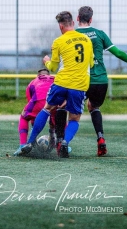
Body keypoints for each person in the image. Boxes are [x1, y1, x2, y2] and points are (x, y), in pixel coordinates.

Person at [76, 6, 127, 156]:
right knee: (93, 107)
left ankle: (62, 143)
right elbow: (118, 52)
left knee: (71, 110)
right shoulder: (100, 34)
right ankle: (100, 138)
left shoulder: (73, 35)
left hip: (81, 79)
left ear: (77, 18)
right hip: (101, 79)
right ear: (91, 19)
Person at [21, 11, 94, 158]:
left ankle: (29, 142)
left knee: (47, 109)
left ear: (60, 26)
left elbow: (53, 68)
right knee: (74, 118)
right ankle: (65, 142)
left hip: (61, 82)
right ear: (73, 23)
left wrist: (46, 61)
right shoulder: (87, 40)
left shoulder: (58, 41)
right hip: (79, 85)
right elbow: (91, 63)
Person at [14, 68, 69, 156]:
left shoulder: (33, 82)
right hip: (55, 100)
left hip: (39, 101)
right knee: (60, 119)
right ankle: (63, 144)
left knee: (24, 117)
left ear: (38, 75)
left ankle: (23, 145)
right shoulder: (55, 79)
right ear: (49, 74)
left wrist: (34, 125)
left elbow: (30, 100)